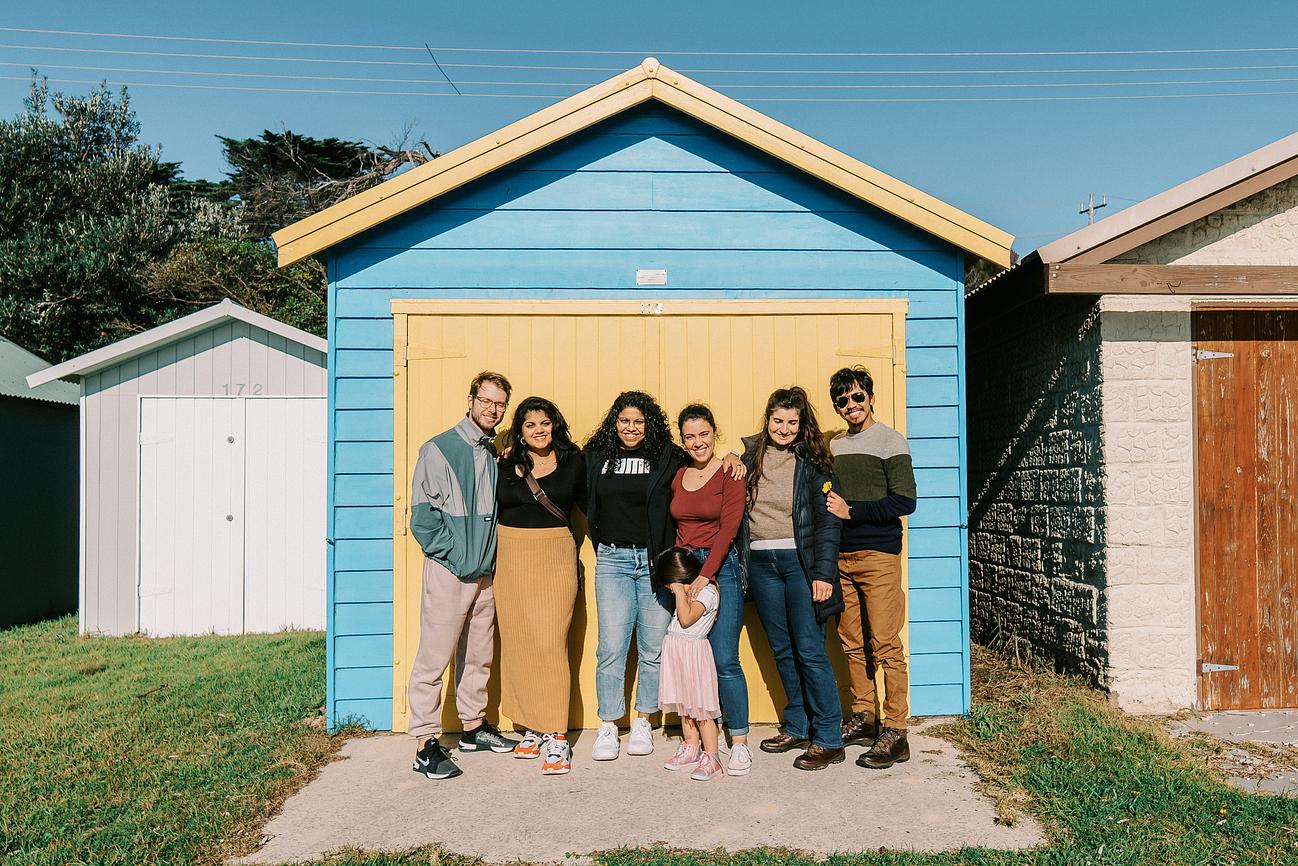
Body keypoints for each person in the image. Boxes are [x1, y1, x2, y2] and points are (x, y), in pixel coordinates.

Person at [582, 391, 744, 761]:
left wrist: (737, 455)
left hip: (655, 563)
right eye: (624, 420)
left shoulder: (667, 455)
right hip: (613, 560)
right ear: (614, 422)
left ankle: (643, 720)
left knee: (653, 648)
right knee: (611, 647)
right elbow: (565, 472)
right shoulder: (596, 456)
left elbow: (705, 456)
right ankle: (609, 723)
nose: (631, 427)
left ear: (649, 423)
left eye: (638, 421)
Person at [408, 371, 520, 781]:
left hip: (485, 575)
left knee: (478, 656)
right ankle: (424, 744)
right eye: (486, 401)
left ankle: (473, 728)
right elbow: (423, 520)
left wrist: (483, 563)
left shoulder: (494, 452)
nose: (493, 409)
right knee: (433, 659)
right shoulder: (438, 449)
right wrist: (457, 558)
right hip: (451, 572)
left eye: (500, 404)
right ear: (470, 399)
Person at [741, 387, 846, 771]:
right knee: (782, 649)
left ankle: (829, 739)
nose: (784, 429)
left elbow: (828, 522)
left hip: (800, 565)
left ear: (802, 426)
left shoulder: (814, 463)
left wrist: (824, 574)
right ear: (767, 419)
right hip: (762, 564)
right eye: (778, 421)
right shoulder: (750, 457)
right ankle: (798, 725)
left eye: (792, 422)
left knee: (810, 650)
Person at [826, 366, 917, 770]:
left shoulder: (890, 440)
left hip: (878, 557)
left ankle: (896, 731)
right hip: (840, 558)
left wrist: (853, 511)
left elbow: (904, 501)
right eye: (843, 400)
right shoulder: (834, 445)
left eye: (857, 397)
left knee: (886, 644)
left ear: (871, 397)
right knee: (850, 641)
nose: (851, 405)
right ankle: (864, 716)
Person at [494, 396, 585, 776]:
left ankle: (557, 736)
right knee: (518, 643)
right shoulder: (506, 461)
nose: (539, 430)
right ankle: (532, 727)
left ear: (555, 424)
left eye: (545, 423)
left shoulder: (575, 460)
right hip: (511, 556)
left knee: (549, 643)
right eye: (530, 425)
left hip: (554, 556)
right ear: (521, 429)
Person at [669, 404, 751, 776]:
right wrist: (681, 576)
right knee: (688, 658)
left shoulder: (730, 472)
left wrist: (706, 575)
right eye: (690, 436)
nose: (697, 442)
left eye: (704, 434)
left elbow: (730, 527)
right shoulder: (679, 474)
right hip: (687, 567)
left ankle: (740, 743)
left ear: (715, 433)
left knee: (723, 660)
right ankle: (698, 744)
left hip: (721, 569)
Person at [655, 547, 725, 781]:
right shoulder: (689, 591)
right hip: (678, 653)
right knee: (685, 707)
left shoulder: (707, 592)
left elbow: (686, 620)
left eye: (671, 584)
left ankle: (711, 756)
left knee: (702, 710)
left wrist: (678, 592)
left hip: (694, 654)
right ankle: (691, 747)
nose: (670, 590)